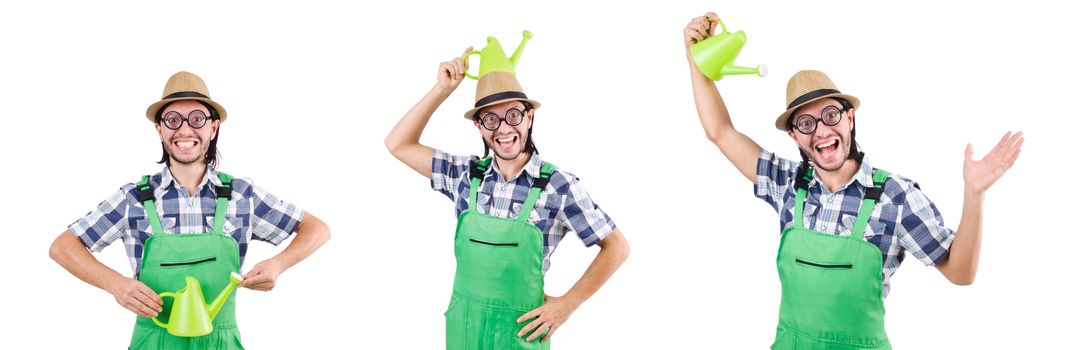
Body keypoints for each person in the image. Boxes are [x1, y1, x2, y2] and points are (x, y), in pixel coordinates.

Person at [684, 12, 1023, 349]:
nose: (821, 131)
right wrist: (695, 58)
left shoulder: (895, 197)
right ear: (794, 136)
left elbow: (960, 273)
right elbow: (720, 132)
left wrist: (974, 194)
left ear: (849, 117)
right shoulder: (788, 184)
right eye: (806, 124)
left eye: (830, 115)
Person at [49, 71, 331, 349]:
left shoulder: (242, 195)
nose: (184, 130)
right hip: (154, 341)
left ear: (213, 127)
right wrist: (115, 284)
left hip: (220, 341)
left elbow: (317, 229)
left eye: (197, 119)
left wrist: (278, 264)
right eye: (173, 120)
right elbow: (63, 246)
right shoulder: (133, 199)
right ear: (159, 129)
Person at [385, 48, 630, 349]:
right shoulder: (465, 175)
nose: (503, 128)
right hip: (465, 331)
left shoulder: (558, 186)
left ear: (529, 117)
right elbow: (398, 144)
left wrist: (567, 304)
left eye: (513, 115)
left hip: (520, 336)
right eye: (490, 119)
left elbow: (616, 246)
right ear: (479, 126)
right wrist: (442, 90)